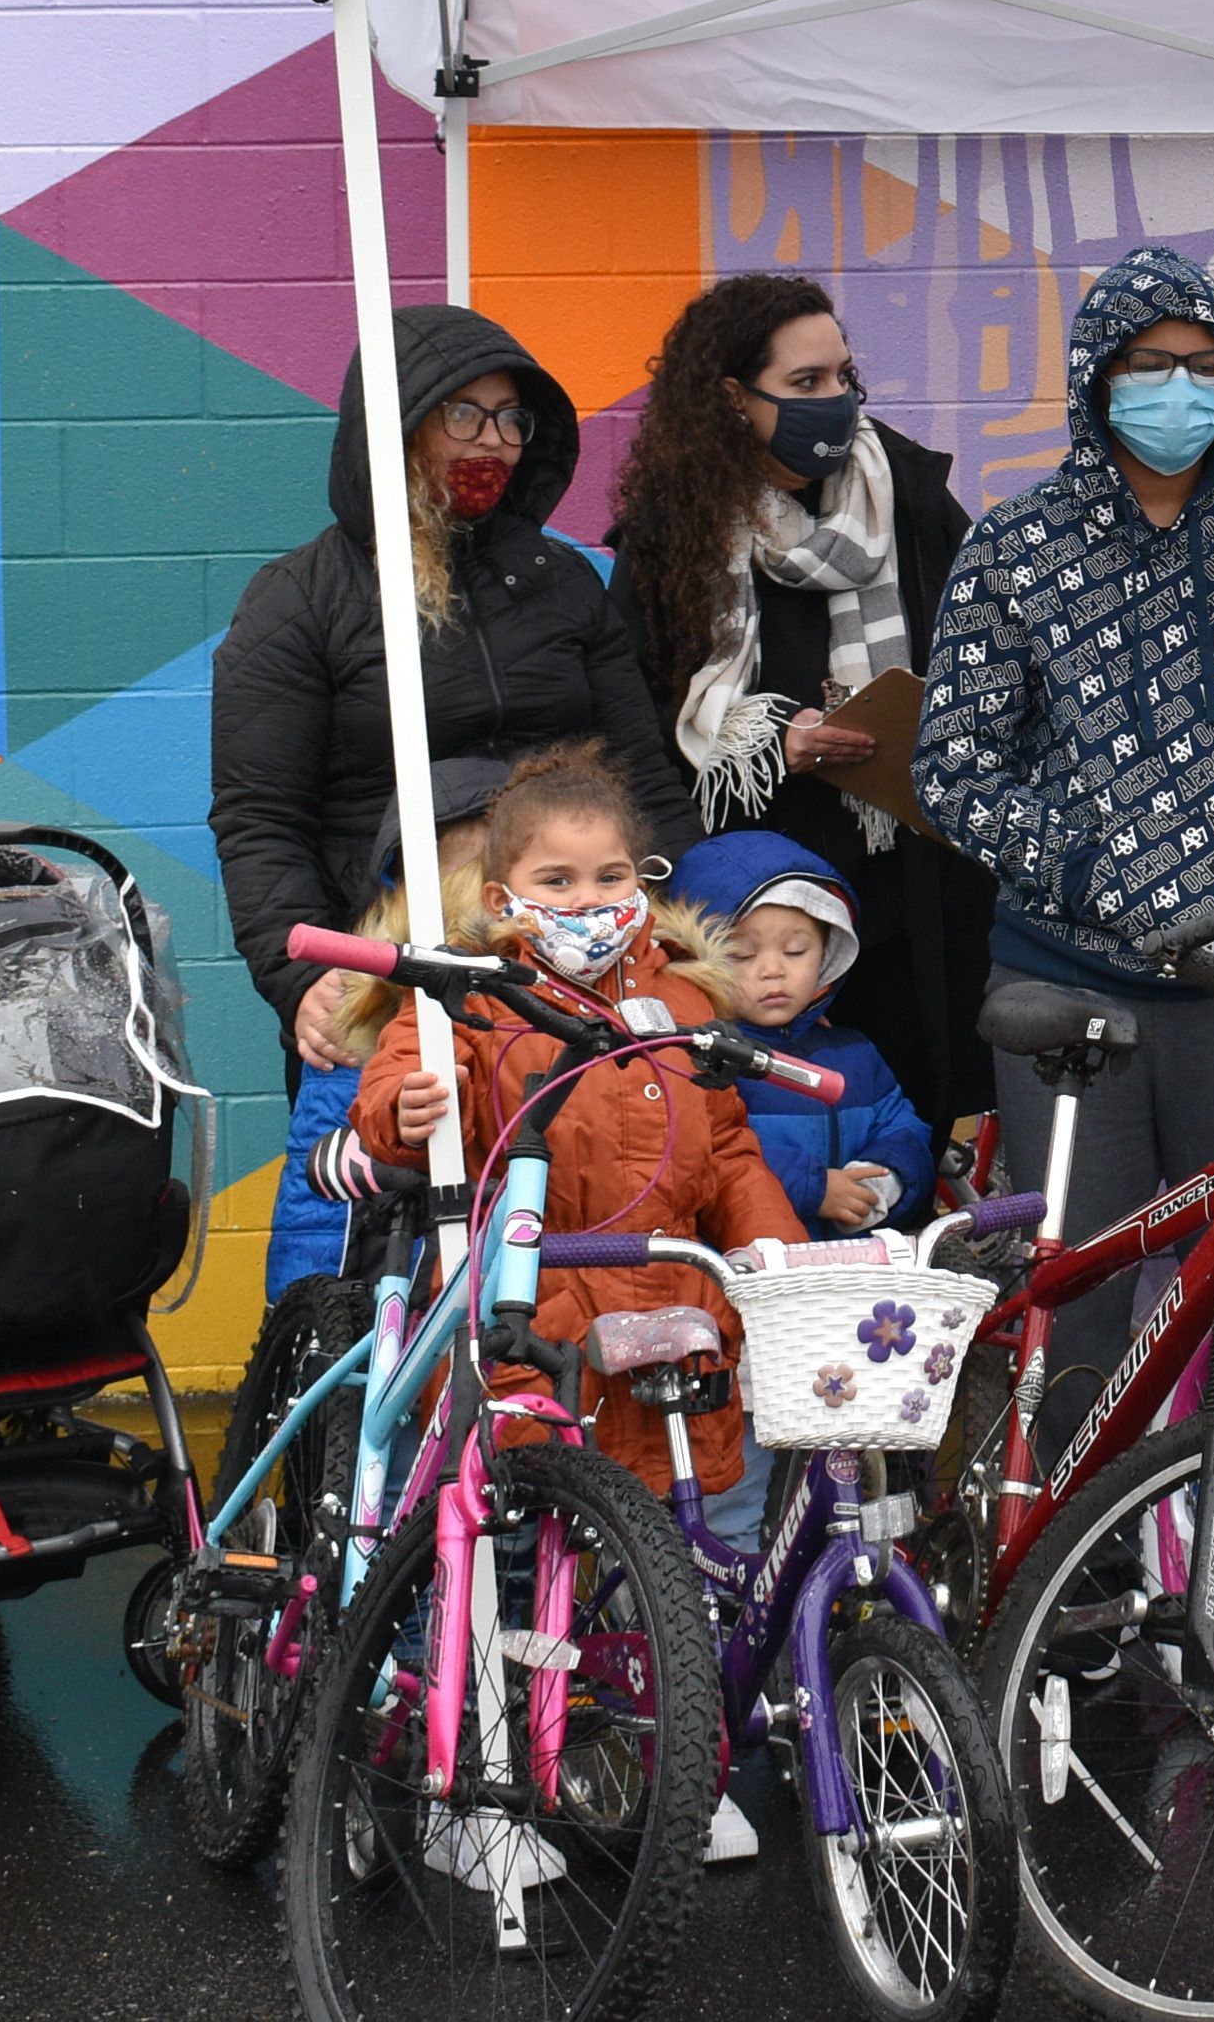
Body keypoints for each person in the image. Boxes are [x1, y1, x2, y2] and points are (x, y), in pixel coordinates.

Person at [912, 245, 1214, 1435]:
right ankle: (1068, 1601)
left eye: (1204, 366)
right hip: (1069, 1002)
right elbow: (953, 768)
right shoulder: (1014, 548)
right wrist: (1097, 877)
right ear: (1096, 377)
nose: (1179, 389)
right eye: (1150, 365)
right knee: (1076, 1300)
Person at [345, 743, 804, 1856]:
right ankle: (475, 1779)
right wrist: (407, 1108)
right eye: (557, 882)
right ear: (504, 898)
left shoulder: (683, 1004)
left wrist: (781, 1262)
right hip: (531, 1328)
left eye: (610, 878)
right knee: (504, 1564)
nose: (588, 902)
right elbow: (392, 1100)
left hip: (668, 1328)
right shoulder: (472, 997)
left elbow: (730, 1156)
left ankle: (670, 1762)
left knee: (689, 1571)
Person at [213, 304, 694, 1188]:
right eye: (464, 414)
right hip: (398, 973)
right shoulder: (299, 600)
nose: (496, 442)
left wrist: (678, 936)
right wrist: (300, 979)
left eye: (514, 419)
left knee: (591, 1201)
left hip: (576, 966)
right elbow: (260, 820)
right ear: (397, 423)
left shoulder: (563, 584)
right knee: (386, 1233)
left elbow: (643, 783)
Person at [608, 273, 994, 1131]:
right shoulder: (673, 533)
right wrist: (775, 742)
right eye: (806, 384)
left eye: (845, 378)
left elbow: (989, 652)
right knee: (769, 1149)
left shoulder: (912, 495)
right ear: (731, 399)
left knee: (916, 1134)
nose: (838, 402)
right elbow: (635, 726)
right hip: (753, 918)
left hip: (915, 894)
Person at [264, 752, 505, 1291]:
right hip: (376, 1284)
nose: (482, 909)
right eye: (461, 885)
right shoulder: (360, 1009)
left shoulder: (537, 1002)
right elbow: (316, 1211)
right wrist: (312, 1320)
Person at [679, 828, 936, 1235]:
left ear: (829, 951)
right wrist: (814, 1188)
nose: (773, 969)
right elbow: (698, 1154)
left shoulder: (855, 1051)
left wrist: (886, 1179)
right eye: (742, 954)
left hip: (852, 1272)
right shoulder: (697, 1058)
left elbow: (903, 1127)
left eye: (797, 950)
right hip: (748, 1272)